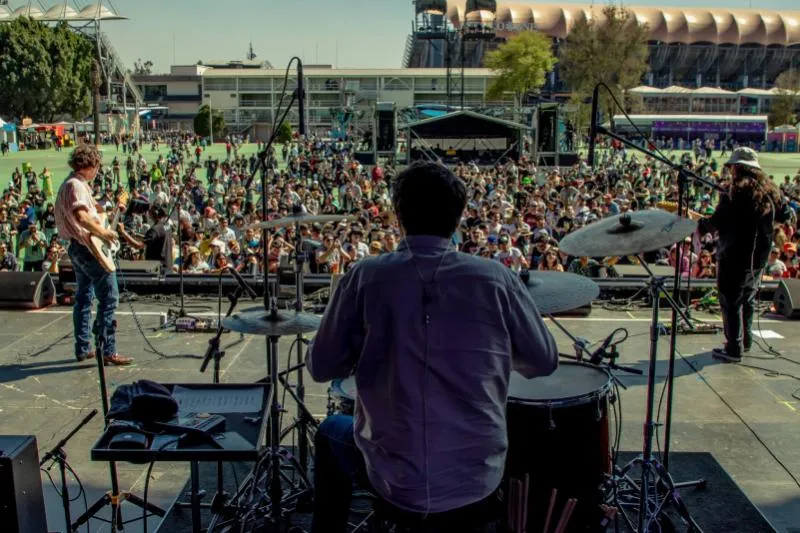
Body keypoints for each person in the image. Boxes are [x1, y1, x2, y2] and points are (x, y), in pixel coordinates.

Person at [306, 161, 558, 533]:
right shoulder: (495, 279)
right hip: (476, 476)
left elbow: (320, 367)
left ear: (398, 214)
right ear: (458, 219)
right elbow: (544, 361)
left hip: (393, 476)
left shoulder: (366, 276)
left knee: (330, 432)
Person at [698, 147, 793, 362]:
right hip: (758, 256)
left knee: (730, 300)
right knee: (748, 298)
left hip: (734, 255)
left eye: (732, 167)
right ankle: (746, 342)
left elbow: (717, 221)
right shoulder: (770, 190)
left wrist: (703, 225)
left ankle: (733, 348)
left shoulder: (735, 192)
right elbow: (785, 215)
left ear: (737, 168)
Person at [54, 144, 132, 366]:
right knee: (109, 297)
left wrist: (115, 209)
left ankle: (84, 347)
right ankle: (108, 349)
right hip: (87, 248)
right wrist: (106, 233)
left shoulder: (77, 185)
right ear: (88, 165)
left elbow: (95, 212)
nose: (98, 170)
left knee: (84, 297)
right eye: (96, 166)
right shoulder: (75, 186)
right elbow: (82, 217)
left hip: (79, 248)